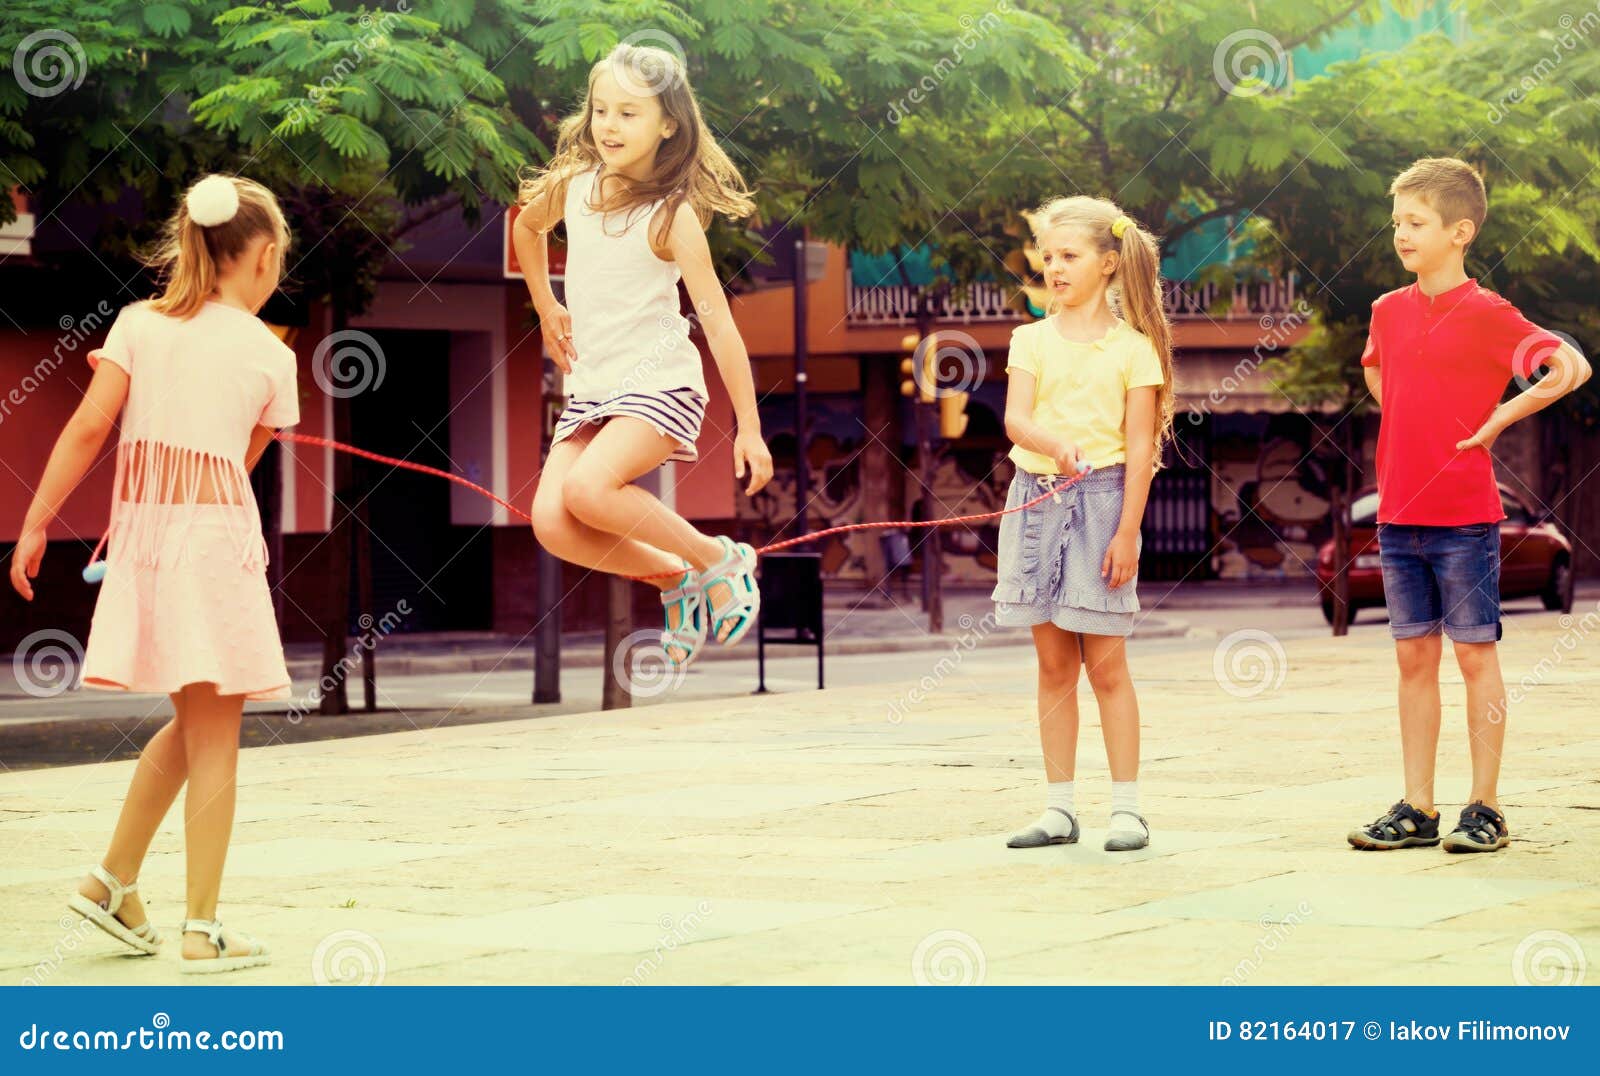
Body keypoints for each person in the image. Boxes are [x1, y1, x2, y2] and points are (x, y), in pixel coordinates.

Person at [9, 173, 300, 971]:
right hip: (215, 551)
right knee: (216, 736)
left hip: (149, 543)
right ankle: (201, 929)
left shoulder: (139, 323)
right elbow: (241, 464)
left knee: (196, 721)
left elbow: (86, 428)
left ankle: (111, 882)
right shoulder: (269, 354)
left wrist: (36, 522)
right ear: (266, 257)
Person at [1348, 157, 1591, 853]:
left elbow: (1571, 368)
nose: (1401, 234)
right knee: (1411, 662)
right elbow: (1374, 365)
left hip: (1465, 521)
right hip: (1398, 517)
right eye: (1396, 222)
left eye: (1416, 223)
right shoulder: (1388, 311)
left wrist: (1498, 420)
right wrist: (1409, 424)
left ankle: (1484, 807)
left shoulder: (1489, 315)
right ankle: (1417, 808)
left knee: (1475, 658)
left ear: (1460, 231)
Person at [513, 43, 774, 670]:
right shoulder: (574, 187)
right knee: (553, 523)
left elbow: (719, 326)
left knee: (590, 489)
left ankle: (720, 559)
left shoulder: (671, 215)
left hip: (660, 385)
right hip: (592, 389)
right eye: (601, 110)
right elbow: (526, 226)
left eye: (629, 114)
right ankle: (674, 579)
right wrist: (548, 307)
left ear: (668, 124)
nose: (608, 125)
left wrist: (751, 427)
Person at [994, 196, 1174, 853]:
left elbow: (1139, 451)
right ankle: (1059, 808)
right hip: (1035, 498)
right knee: (1051, 665)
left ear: (1107, 264)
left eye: (1069, 257)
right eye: (1048, 258)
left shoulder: (1136, 351)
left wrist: (1127, 532)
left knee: (1106, 665)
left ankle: (1126, 808)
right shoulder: (1030, 339)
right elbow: (1016, 420)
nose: (1055, 268)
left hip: (1102, 504)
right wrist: (1053, 443)